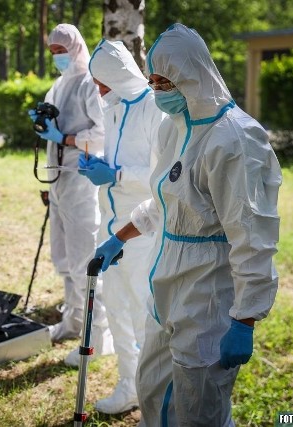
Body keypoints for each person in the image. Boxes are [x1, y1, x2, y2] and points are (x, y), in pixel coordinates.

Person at [94, 24, 282, 426]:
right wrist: (119, 236)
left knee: (199, 411)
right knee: (151, 386)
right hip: (166, 283)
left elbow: (253, 235)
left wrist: (245, 318)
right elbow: (165, 202)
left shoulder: (234, 139)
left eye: (167, 81)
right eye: (153, 80)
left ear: (193, 74)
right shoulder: (173, 127)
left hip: (209, 296)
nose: (158, 90)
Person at [78, 39, 174, 414]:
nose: (99, 89)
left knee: (142, 314)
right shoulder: (114, 108)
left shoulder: (155, 109)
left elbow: (160, 176)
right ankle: (128, 386)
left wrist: (114, 174)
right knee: (116, 308)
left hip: (141, 233)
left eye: (102, 81)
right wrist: (101, 166)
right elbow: (120, 161)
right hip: (111, 226)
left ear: (116, 77)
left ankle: (154, 395)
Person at [29, 24, 113, 363]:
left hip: (80, 180)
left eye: (61, 50)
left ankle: (98, 337)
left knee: (83, 260)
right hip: (59, 181)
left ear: (76, 47)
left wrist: (65, 138)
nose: (57, 57)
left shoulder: (88, 83)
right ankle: (73, 321)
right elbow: (51, 133)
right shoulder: (58, 85)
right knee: (63, 258)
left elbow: (102, 134)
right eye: (52, 51)